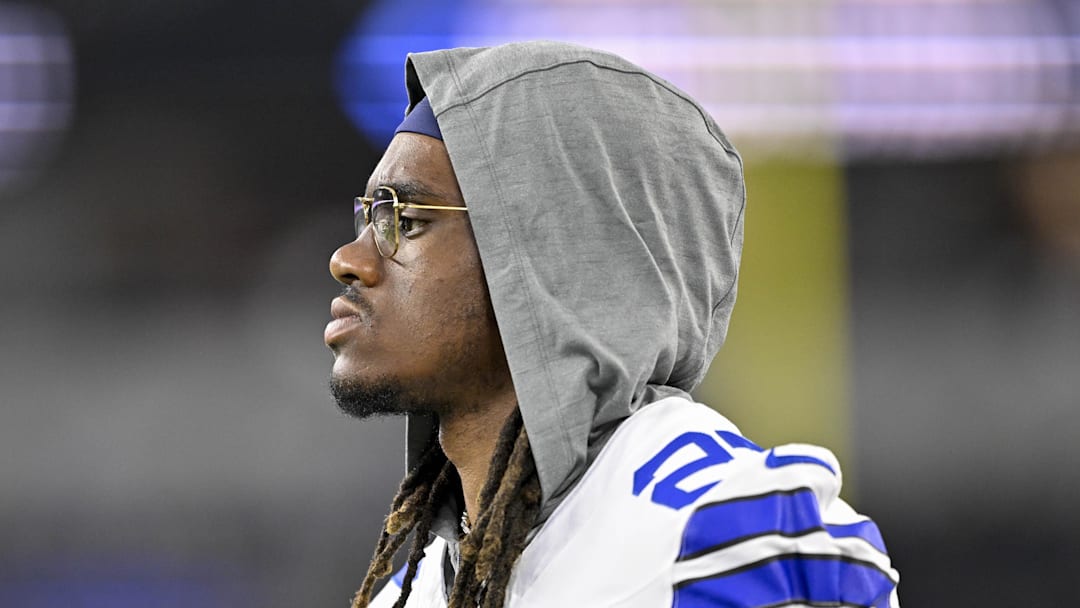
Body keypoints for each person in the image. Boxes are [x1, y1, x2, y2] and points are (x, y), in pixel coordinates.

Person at [325, 40, 900, 608]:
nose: (348, 260)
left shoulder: (730, 532)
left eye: (406, 220)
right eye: (368, 217)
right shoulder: (418, 590)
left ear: (555, 254)